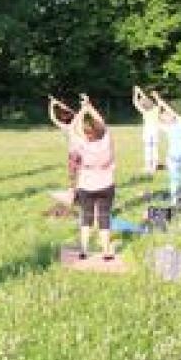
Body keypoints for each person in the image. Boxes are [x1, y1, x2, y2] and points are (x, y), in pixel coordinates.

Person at [69, 95, 115, 261]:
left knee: (86, 218)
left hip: (86, 186)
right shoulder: (107, 140)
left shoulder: (82, 143)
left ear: (87, 133)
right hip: (106, 185)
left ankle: (84, 250)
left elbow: (73, 127)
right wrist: (90, 106)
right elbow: (102, 122)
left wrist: (82, 110)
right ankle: (106, 251)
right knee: (104, 218)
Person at [152, 91, 181, 207]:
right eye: (166, 114)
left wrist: (158, 101)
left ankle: (178, 200)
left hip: (177, 154)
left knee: (178, 178)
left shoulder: (171, 125)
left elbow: (162, 114)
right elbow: (163, 114)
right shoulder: (178, 122)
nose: (168, 114)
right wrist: (158, 101)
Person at [48, 96, 81, 191]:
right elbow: (76, 114)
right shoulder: (78, 125)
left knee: (73, 173)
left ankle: (72, 190)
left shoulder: (65, 127)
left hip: (73, 153)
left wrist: (51, 105)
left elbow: (53, 118)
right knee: (82, 172)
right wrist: (63, 106)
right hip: (82, 152)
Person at [132, 86, 161, 175]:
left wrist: (137, 92)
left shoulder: (145, 111)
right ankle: (154, 166)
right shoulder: (156, 109)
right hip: (155, 131)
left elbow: (135, 102)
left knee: (148, 149)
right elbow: (148, 101)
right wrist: (141, 92)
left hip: (148, 131)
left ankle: (148, 166)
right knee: (155, 148)